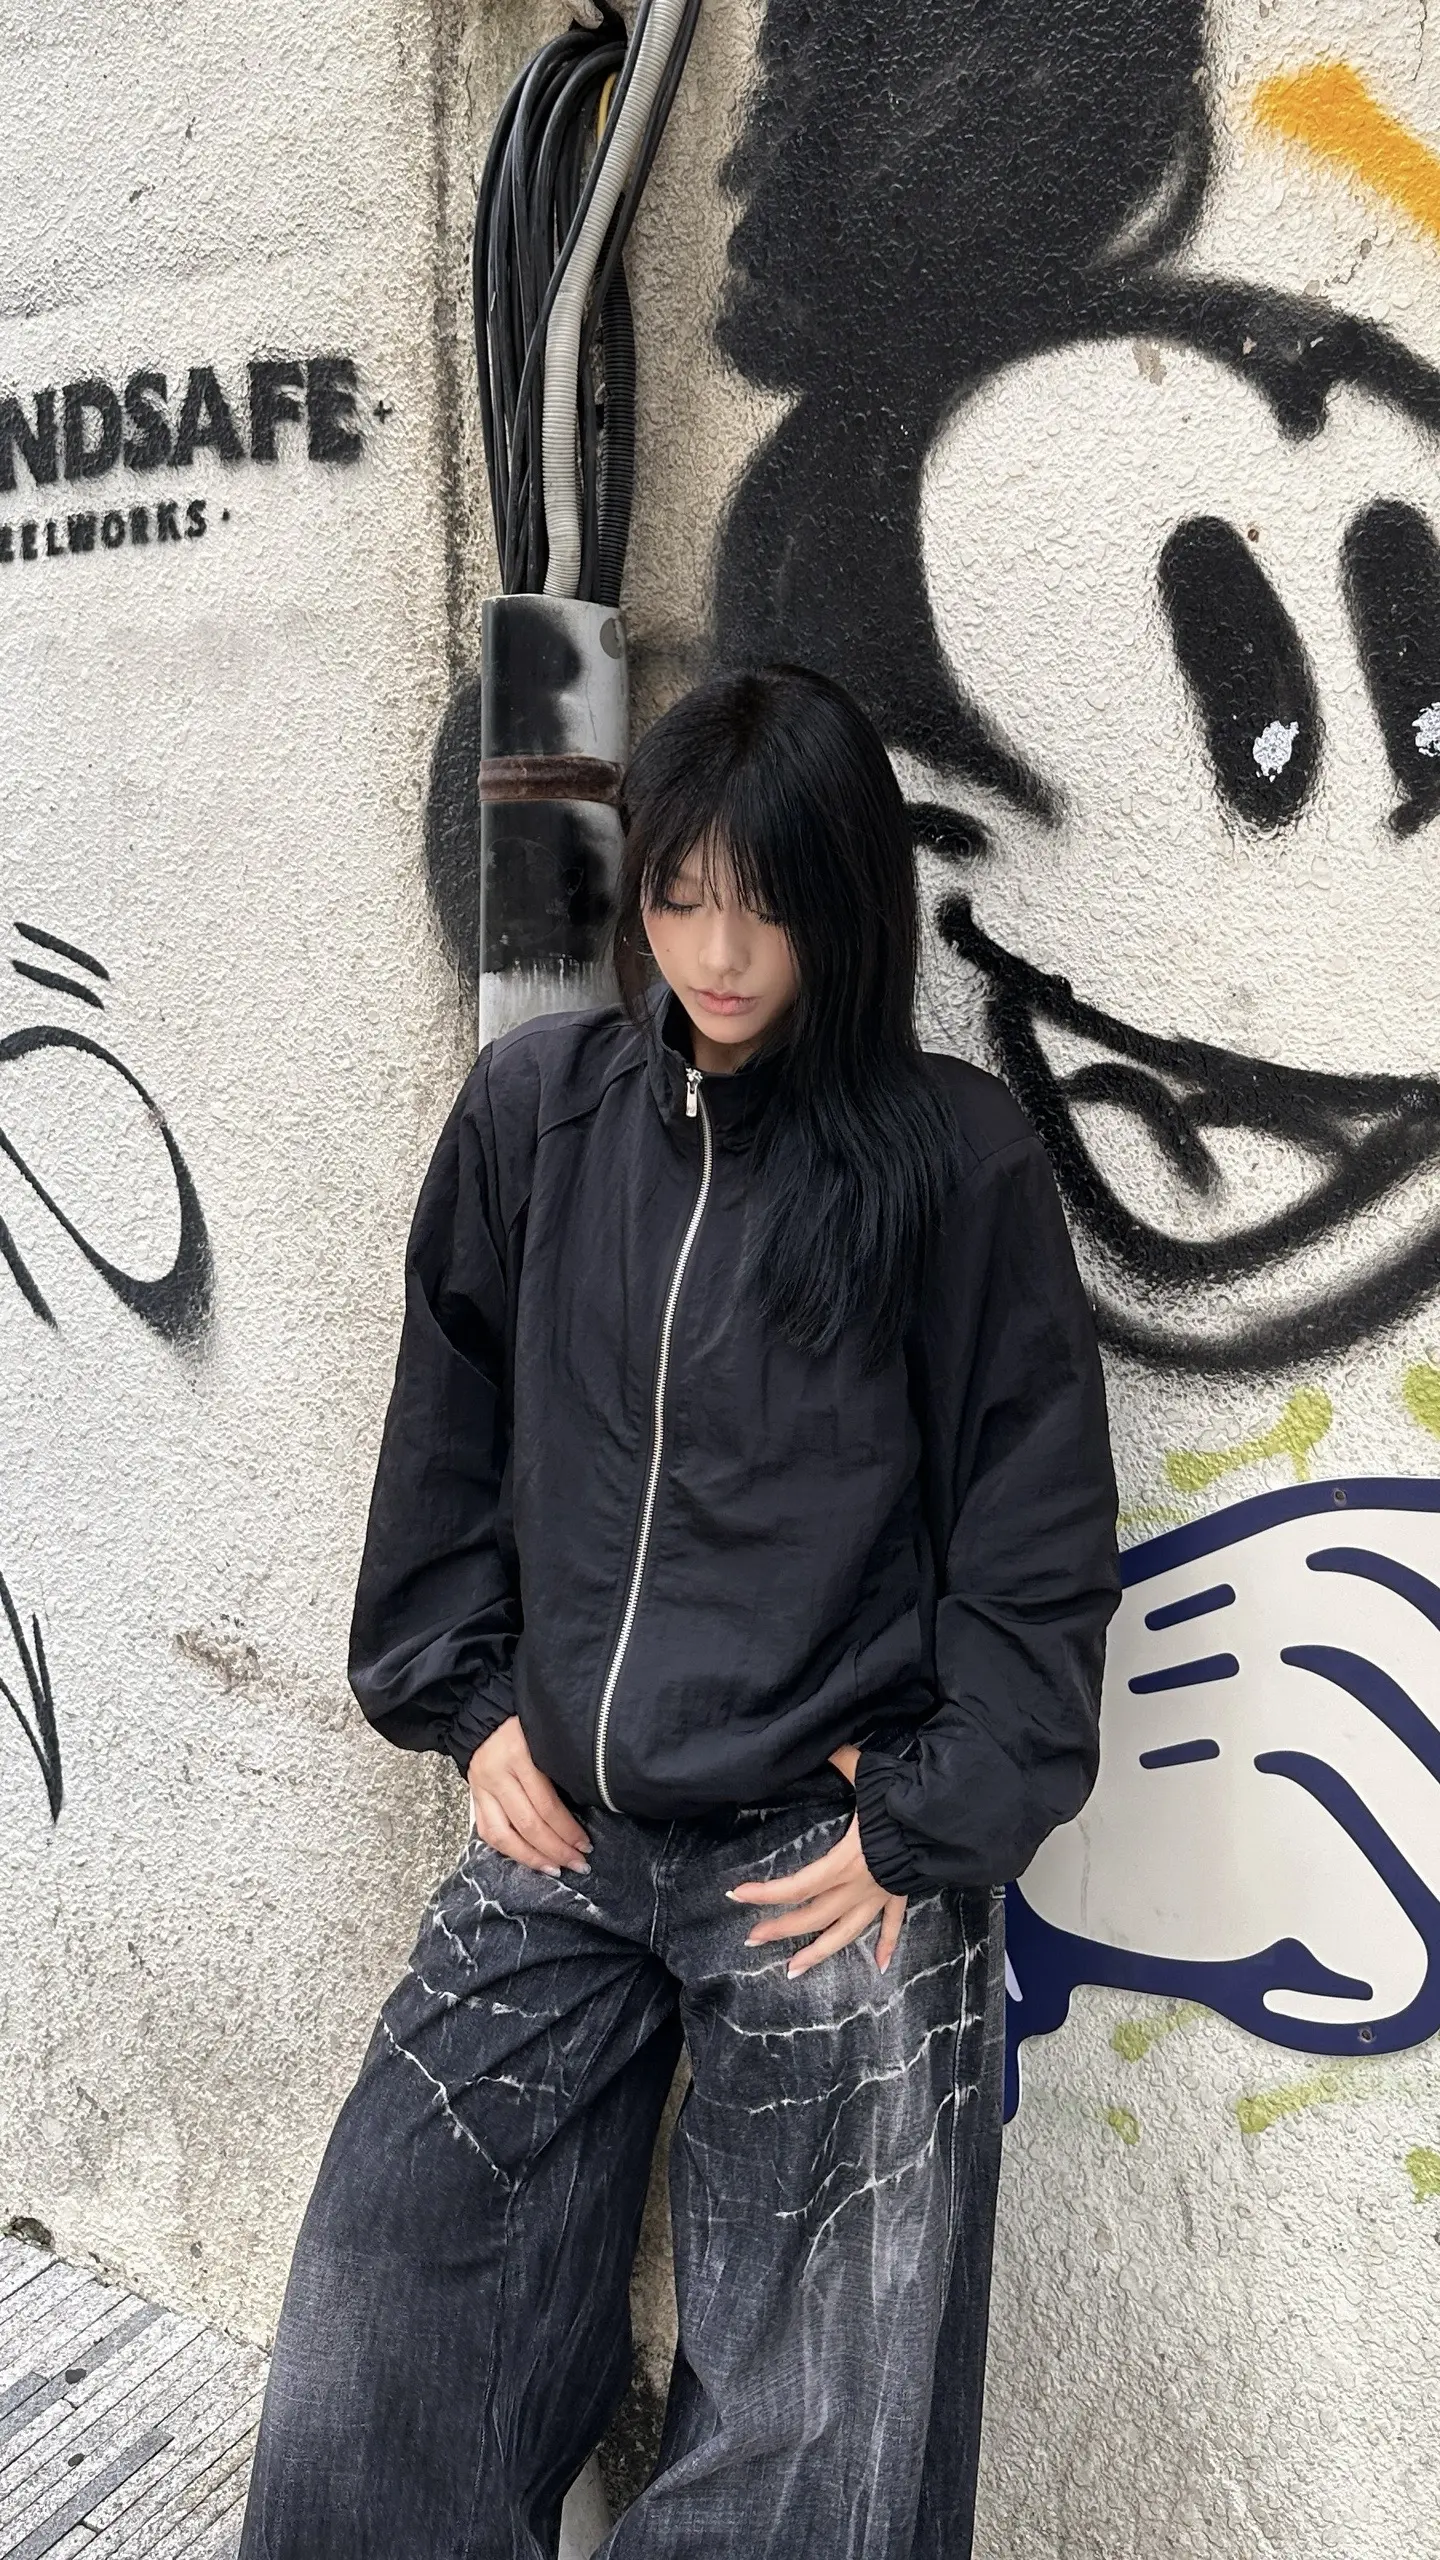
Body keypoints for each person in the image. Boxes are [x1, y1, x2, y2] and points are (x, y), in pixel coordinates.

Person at [237, 663, 1120, 2560]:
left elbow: (1036, 1535)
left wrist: (932, 1819)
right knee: (378, 2342)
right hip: (565, 1826)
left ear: (851, 904)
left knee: (813, 2445)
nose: (717, 954)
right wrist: (469, 1700)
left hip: (824, 1850)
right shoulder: (538, 1115)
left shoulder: (954, 1165)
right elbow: (445, 1426)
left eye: (767, 904)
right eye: (678, 895)